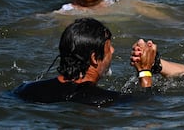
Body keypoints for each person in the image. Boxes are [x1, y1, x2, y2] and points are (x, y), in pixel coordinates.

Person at [14, 17, 157, 107]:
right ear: (95, 58)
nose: (113, 51)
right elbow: (145, 104)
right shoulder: (106, 100)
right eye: (109, 47)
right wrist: (145, 70)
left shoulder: (26, 89)